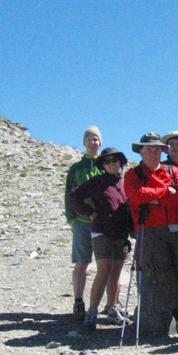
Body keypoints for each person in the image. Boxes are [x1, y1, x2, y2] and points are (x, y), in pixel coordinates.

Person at [124, 132, 178, 342]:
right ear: (140, 151)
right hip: (149, 231)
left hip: (177, 228)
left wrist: (153, 197)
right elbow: (135, 196)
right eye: (148, 149)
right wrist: (165, 191)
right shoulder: (132, 175)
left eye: (156, 149)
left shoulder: (173, 170)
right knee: (165, 275)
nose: (152, 153)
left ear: (162, 151)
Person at [68, 147, 132, 330]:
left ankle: (112, 308)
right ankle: (92, 311)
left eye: (115, 160)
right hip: (102, 232)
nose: (111, 164)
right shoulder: (97, 181)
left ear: (120, 162)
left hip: (121, 233)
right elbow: (73, 196)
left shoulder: (124, 183)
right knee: (103, 271)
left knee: (116, 272)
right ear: (103, 165)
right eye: (107, 161)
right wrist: (90, 213)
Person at [64, 126, 103, 320]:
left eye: (95, 139)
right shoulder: (76, 168)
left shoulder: (106, 164)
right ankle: (78, 301)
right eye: (89, 139)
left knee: (107, 264)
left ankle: (108, 303)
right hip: (82, 220)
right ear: (84, 142)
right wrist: (71, 219)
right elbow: (69, 195)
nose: (92, 142)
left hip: (104, 221)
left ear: (100, 142)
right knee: (82, 262)